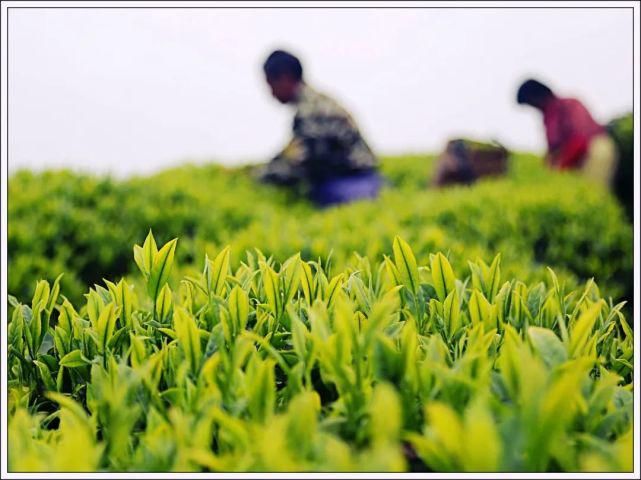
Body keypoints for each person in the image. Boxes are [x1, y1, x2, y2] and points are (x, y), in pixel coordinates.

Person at [257, 49, 382, 207]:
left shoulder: (310, 112)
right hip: (365, 181)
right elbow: (291, 153)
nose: (271, 93)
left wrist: (261, 177)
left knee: (312, 195)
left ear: (285, 78)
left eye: (270, 84)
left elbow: (298, 166)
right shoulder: (315, 102)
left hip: (353, 186)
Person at [516, 79, 619, 188]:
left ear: (539, 96)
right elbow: (553, 150)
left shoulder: (569, 104)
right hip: (573, 160)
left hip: (594, 150)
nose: (534, 107)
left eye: (532, 103)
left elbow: (580, 138)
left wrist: (560, 166)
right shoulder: (548, 118)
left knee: (592, 191)